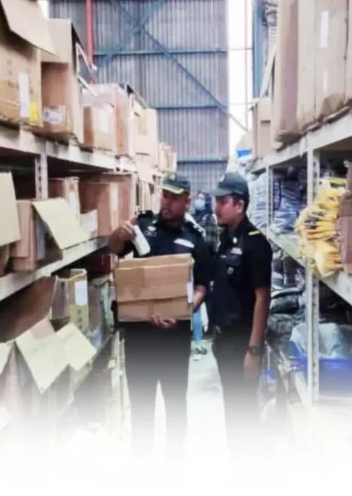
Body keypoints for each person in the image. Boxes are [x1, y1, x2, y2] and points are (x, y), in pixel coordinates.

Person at [108, 172, 213, 458]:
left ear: (187, 202)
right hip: (140, 337)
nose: (166, 202)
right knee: (141, 407)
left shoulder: (195, 239)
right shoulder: (142, 227)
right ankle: (142, 463)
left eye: (174, 198)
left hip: (173, 339)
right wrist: (119, 234)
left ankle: (174, 464)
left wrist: (182, 310)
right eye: (164, 195)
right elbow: (114, 249)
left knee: (175, 404)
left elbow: (202, 286)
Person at [211, 172, 272, 456]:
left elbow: (262, 298)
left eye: (223, 201)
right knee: (232, 410)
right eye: (217, 201)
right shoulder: (225, 238)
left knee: (243, 412)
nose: (217, 207)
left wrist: (254, 350)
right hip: (223, 341)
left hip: (241, 344)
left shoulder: (256, 244)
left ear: (240, 205)